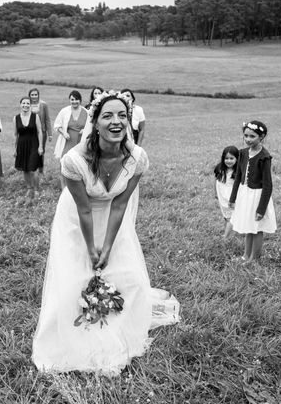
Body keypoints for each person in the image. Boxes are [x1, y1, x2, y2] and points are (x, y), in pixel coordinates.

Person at [32, 90, 179, 374]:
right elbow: (84, 210)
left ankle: (116, 325)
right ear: (95, 122)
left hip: (113, 218)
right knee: (78, 275)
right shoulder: (74, 162)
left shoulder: (137, 158)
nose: (117, 121)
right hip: (77, 219)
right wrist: (92, 248)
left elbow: (120, 203)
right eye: (108, 116)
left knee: (127, 276)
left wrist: (108, 246)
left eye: (122, 115)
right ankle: (73, 331)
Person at [229, 120, 277, 262]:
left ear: (261, 137)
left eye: (252, 136)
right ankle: (245, 255)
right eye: (246, 136)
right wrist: (233, 198)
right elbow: (238, 177)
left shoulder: (264, 157)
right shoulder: (242, 153)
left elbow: (268, 185)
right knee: (248, 226)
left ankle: (253, 258)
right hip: (245, 195)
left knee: (256, 227)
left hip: (257, 196)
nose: (248, 140)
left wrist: (261, 209)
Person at [14, 96, 43, 203]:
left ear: (30, 105)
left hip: (34, 144)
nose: (25, 105)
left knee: (33, 168)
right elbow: (15, 135)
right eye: (23, 103)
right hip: (22, 146)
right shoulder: (15, 118)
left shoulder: (35, 117)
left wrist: (40, 146)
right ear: (20, 105)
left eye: (27, 104)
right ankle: (29, 188)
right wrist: (15, 149)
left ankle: (36, 189)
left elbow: (40, 132)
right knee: (25, 168)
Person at [214, 145, 239, 239]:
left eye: (231, 158)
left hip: (231, 197)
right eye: (226, 158)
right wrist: (215, 193)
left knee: (231, 218)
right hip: (222, 197)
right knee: (226, 217)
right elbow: (216, 181)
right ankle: (227, 233)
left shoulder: (237, 171)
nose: (229, 161)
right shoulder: (220, 168)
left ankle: (226, 237)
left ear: (237, 158)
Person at [28, 88, 52, 175]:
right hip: (29, 132)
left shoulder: (43, 105)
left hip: (42, 132)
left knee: (41, 150)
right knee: (30, 150)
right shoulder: (27, 104)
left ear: (38, 95)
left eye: (36, 94)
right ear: (29, 96)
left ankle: (41, 170)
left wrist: (50, 134)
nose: (34, 96)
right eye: (32, 95)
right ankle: (31, 168)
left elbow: (47, 119)